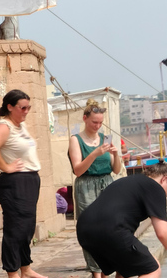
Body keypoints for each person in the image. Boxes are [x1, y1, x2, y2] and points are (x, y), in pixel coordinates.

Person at [0, 89, 46, 278]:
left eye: (29, 107)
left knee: (27, 227)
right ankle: (13, 272)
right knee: (16, 228)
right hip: (14, 183)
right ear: (10, 107)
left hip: (29, 181)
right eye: (22, 108)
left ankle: (25, 269)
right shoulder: (5, 126)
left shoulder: (20, 125)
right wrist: (6, 167)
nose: (26, 111)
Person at [77, 162, 167, 278]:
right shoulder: (155, 187)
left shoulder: (128, 181)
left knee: (124, 270)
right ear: (164, 178)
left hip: (84, 229)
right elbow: (163, 233)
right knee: (152, 269)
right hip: (111, 229)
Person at [68, 99, 121, 278]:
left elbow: (116, 169)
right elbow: (78, 170)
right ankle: (95, 271)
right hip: (86, 186)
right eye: (94, 122)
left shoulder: (105, 138)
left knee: (109, 228)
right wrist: (95, 153)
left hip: (107, 184)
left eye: (100, 122)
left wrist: (115, 153)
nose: (98, 126)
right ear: (85, 119)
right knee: (90, 230)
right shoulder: (75, 139)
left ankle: (106, 269)